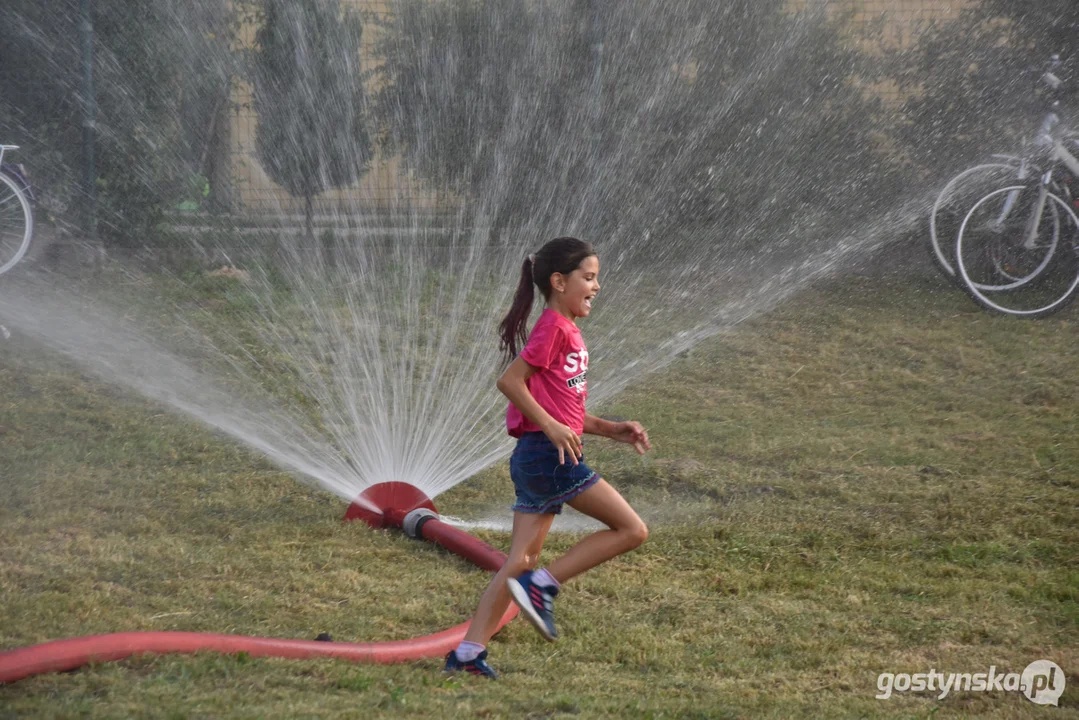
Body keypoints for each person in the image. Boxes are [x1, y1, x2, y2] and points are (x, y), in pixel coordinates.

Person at [443, 236, 651, 679]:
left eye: (597, 278)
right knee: (631, 529)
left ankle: (466, 654)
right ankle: (543, 588)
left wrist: (612, 429)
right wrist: (553, 427)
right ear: (559, 281)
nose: (596, 286)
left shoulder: (567, 331)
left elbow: (566, 411)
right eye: (589, 277)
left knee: (518, 561)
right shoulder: (554, 328)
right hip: (548, 454)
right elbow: (511, 381)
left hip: (538, 453)